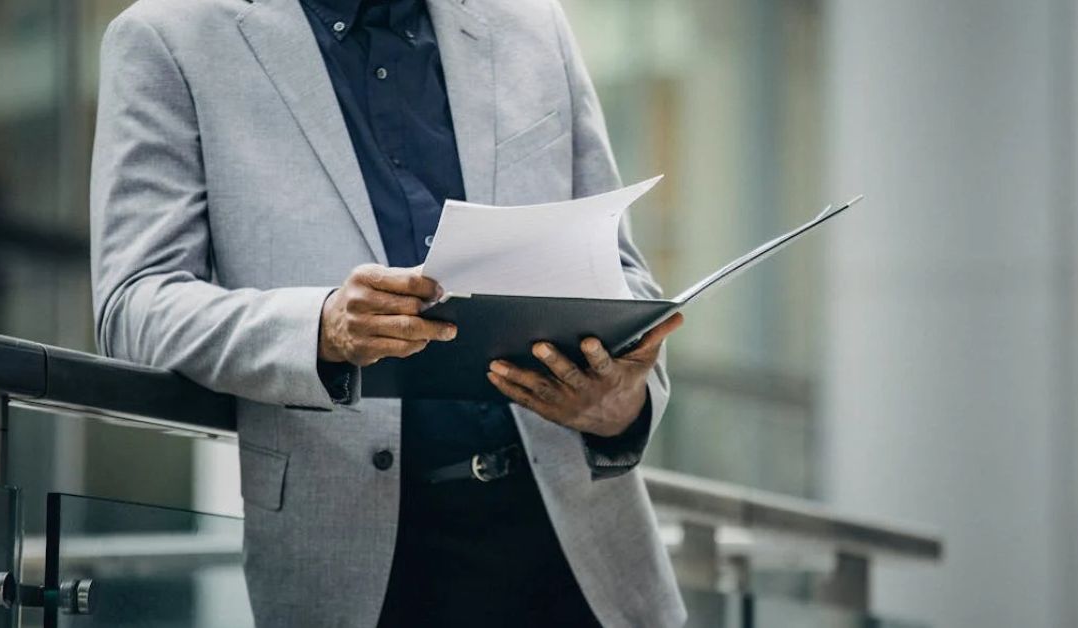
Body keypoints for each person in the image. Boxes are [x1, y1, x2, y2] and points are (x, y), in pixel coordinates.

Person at [90, 0, 686, 625]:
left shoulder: (533, 23)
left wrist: (621, 405)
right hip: (358, 562)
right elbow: (134, 302)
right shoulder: (167, 39)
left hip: (585, 558)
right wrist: (321, 328)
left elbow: (620, 272)